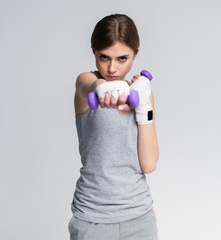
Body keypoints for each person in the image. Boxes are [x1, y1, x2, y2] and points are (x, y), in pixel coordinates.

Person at [69, 14, 159, 240]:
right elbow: (85, 85)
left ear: (135, 54)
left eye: (122, 58)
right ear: (94, 53)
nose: (111, 68)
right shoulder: (86, 84)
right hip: (93, 217)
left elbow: (148, 164)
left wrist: (143, 104)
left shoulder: (142, 94)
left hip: (139, 216)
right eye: (104, 57)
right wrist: (100, 87)